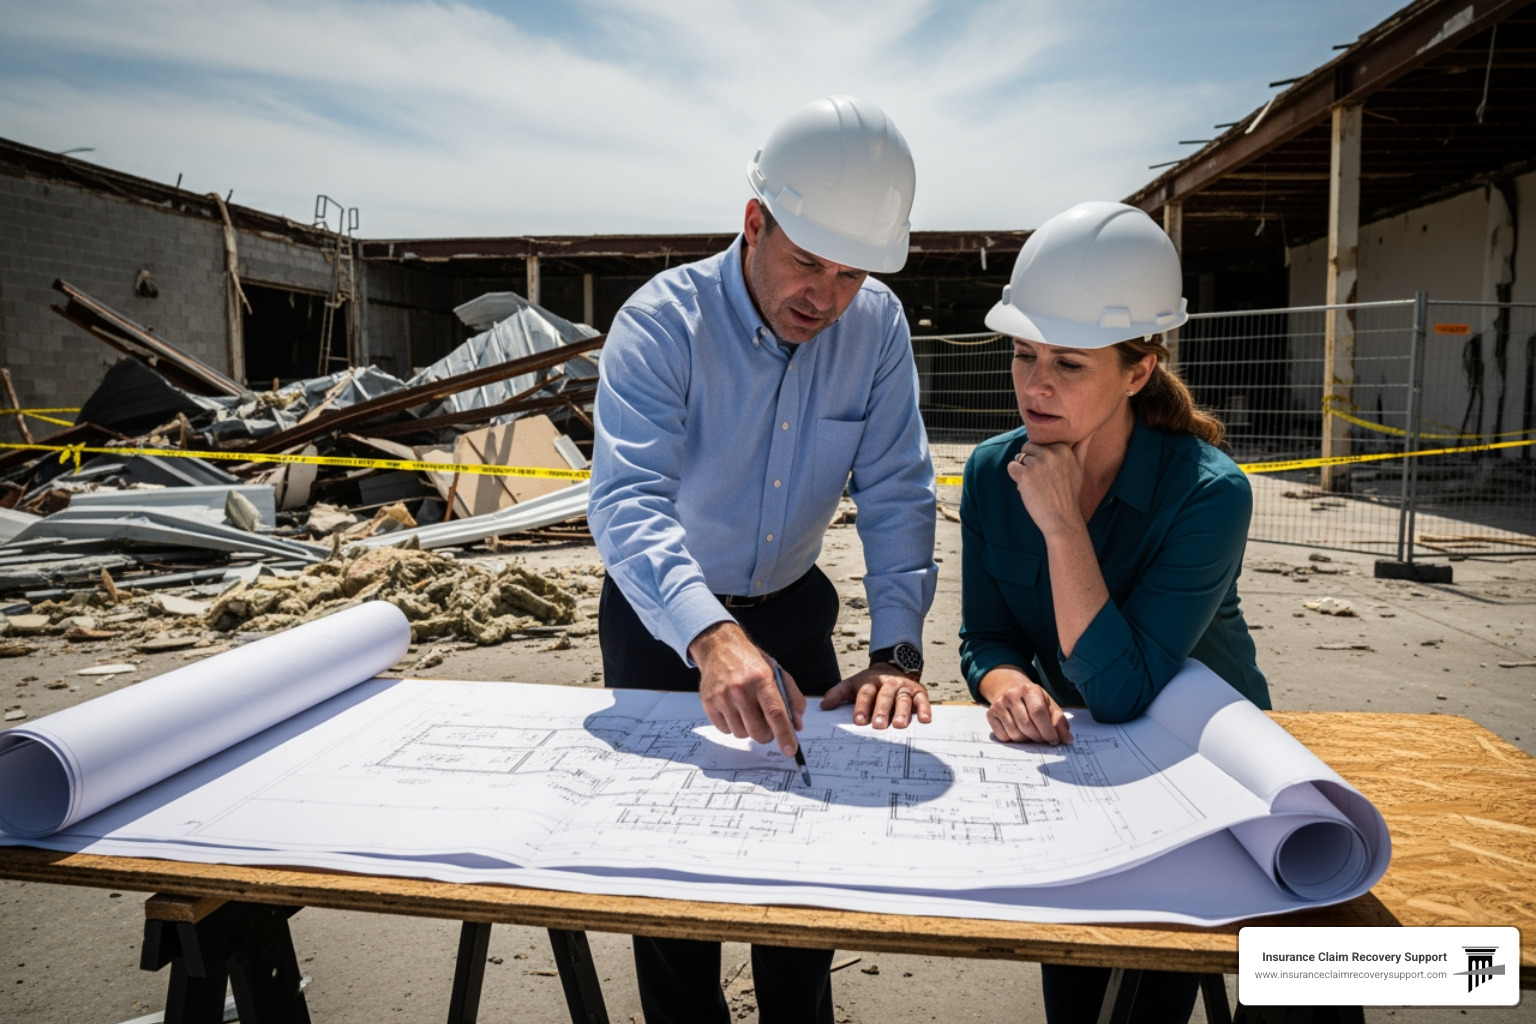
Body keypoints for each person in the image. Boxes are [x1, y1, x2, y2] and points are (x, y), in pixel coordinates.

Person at [588, 94, 939, 1024]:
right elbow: (626, 502)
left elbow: (899, 490)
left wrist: (898, 649)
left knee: (803, 873)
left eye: (852, 273)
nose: (825, 298)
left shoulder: (876, 328)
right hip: (662, 620)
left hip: (791, 608)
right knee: (669, 887)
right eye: (807, 263)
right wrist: (709, 635)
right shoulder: (662, 323)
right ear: (754, 223)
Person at [958, 200, 1271, 1024]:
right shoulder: (993, 472)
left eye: (1068, 362)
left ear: (1138, 371)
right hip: (1083, 760)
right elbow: (984, 635)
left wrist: (1062, 524)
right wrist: (1002, 685)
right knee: (1079, 989)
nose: (1034, 384)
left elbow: (1127, 691)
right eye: (1023, 355)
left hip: (1211, 770)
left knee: (1259, 987)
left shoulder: (1210, 495)